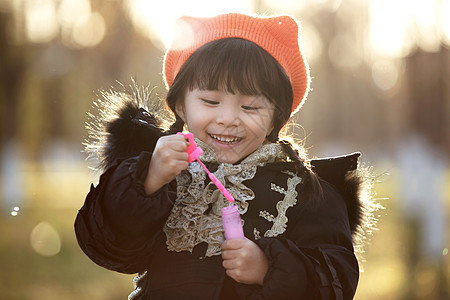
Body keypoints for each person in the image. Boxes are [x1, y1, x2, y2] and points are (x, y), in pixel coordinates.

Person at [75, 13, 375, 300]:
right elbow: (108, 248)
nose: (228, 118)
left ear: (275, 119)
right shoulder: (161, 171)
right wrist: (148, 181)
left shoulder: (306, 193)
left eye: (250, 107)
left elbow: (336, 282)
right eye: (210, 101)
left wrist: (269, 269)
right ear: (181, 106)